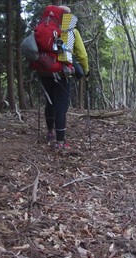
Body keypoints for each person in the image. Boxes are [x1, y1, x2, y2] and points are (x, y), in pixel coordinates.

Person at [36, 6, 89, 151]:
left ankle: (50, 133)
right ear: (67, 16)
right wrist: (85, 69)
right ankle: (60, 141)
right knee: (61, 106)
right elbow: (82, 55)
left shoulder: (43, 27)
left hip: (44, 71)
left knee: (50, 102)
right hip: (62, 73)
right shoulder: (72, 31)